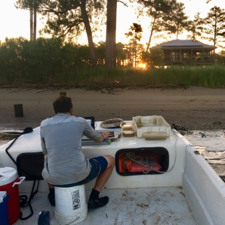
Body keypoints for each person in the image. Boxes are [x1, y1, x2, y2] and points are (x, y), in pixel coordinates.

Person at [40, 96, 115, 209]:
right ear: (71, 110)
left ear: (54, 111)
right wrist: (103, 135)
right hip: (81, 176)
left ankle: (52, 195)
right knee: (110, 159)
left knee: (47, 157)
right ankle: (94, 197)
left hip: (53, 178)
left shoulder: (44, 124)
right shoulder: (80, 121)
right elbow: (98, 138)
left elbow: (45, 151)